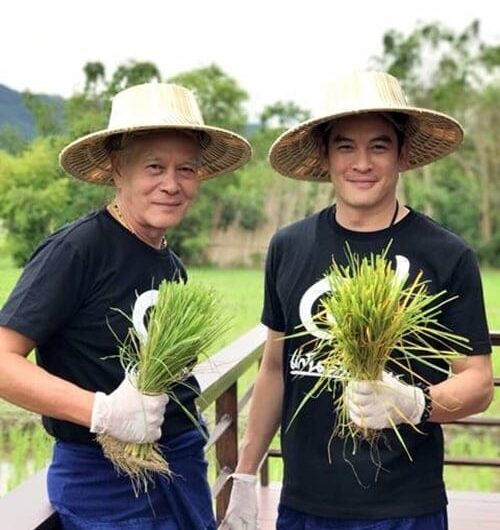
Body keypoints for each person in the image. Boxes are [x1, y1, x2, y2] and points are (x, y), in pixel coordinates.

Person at [221, 71, 494, 530]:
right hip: (305, 505)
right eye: (346, 146)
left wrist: (415, 404)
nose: (361, 163)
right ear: (326, 156)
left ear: (403, 154)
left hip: (406, 508)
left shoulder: (446, 255)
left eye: (379, 146)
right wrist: (246, 475)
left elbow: (479, 383)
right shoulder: (289, 246)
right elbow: (274, 369)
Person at [0, 82, 251, 529]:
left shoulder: (170, 264)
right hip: (102, 479)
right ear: (118, 169)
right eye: (154, 166)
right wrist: (103, 412)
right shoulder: (78, 250)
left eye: (186, 169)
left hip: (180, 467)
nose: (171, 184)